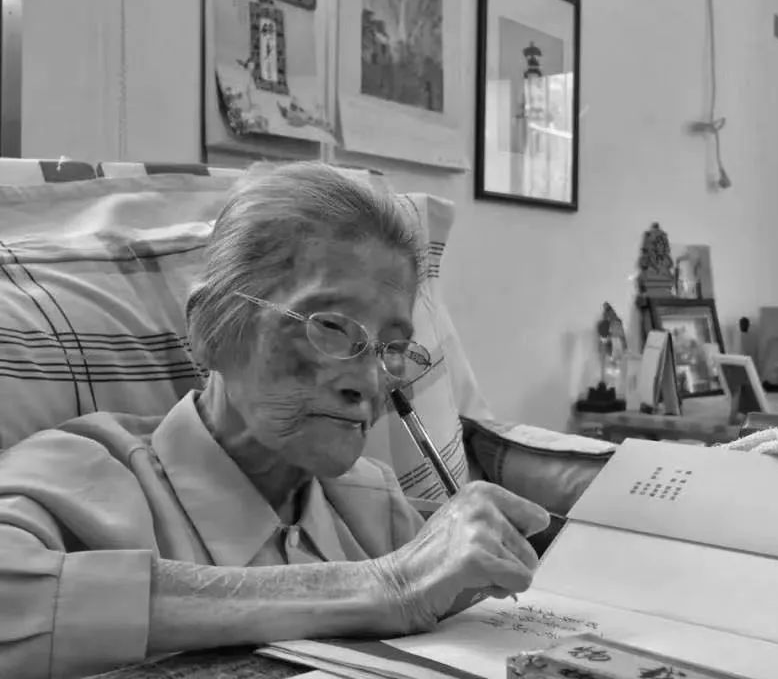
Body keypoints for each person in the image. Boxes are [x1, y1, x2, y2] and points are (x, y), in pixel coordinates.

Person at [0, 163, 550, 679]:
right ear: (210, 329)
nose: (368, 381)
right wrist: (379, 586)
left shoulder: (372, 503)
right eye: (331, 327)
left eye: (393, 348)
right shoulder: (75, 475)